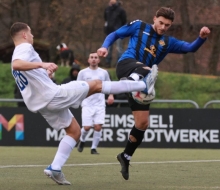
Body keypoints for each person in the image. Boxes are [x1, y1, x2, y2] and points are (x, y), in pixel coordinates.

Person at [10, 22, 157, 185]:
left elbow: (26, 73)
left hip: (41, 104)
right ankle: (143, 84)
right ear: (24, 35)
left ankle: (55, 168)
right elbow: (17, 63)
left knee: (74, 132)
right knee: (96, 84)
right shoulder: (24, 48)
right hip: (53, 96)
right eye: (30, 33)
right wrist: (42, 64)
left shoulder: (20, 53)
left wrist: (44, 73)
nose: (32, 36)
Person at [97, 7, 210, 180]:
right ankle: (131, 84)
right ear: (154, 18)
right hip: (126, 65)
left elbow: (190, 48)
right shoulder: (138, 26)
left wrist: (201, 38)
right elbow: (115, 34)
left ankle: (125, 156)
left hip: (144, 80)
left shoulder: (167, 41)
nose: (164, 27)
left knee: (142, 123)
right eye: (161, 23)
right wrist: (105, 47)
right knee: (150, 70)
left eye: (168, 25)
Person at [76, 52, 114, 154]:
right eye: (91, 57)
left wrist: (111, 95)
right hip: (87, 103)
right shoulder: (82, 73)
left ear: (98, 60)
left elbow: (109, 84)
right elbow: (77, 86)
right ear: (88, 60)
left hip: (100, 103)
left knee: (98, 126)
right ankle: (82, 141)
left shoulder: (104, 72)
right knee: (87, 127)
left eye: (96, 57)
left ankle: (93, 148)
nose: (93, 59)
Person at [104, 0, 127, 68]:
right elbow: (105, 19)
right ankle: (107, 63)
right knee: (108, 48)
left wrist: (120, 29)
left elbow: (124, 20)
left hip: (118, 31)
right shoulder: (107, 9)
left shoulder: (121, 10)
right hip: (109, 31)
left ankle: (119, 63)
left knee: (119, 48)